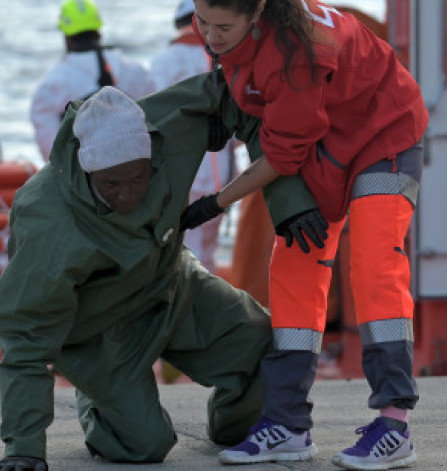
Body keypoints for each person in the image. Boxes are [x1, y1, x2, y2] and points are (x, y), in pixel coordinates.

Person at [0, 78, 317, 471]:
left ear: (153, 153)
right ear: (88, 170)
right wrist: (24, 448)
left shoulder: (175, 124)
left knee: (269, 347)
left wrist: (290, 204)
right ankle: (97, 400)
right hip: (100, 332)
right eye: (112, 183)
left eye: (139, 178)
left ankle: (233, 426)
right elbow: (25, 335)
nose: (128, 193)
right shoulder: (47, 221)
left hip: (170, 281)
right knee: (144, 446)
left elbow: (248, 99)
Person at [179, 0, 428, 469]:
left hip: (385, 135)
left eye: (223, 27)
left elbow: (280, 158)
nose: (210, 36)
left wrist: (215, 203)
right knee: (293, 266)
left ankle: (394, 426)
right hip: (327, 140)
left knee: (375, 266)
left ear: (258, 14)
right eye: (203, 22)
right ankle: (288, 425)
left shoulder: (296, 52)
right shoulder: (236, 30)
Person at [148, 0, 237, 273]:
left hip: (180, 172)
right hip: (224, 176)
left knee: (182, 251)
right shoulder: (230, 57)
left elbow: (153, 121)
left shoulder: (163, 62)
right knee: (206, 252)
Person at [29, 0, 157, 161]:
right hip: (135, 167)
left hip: (87, 174)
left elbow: (51, 151)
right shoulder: (133, 70)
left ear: (67, 37)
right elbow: (155, 116)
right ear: (98, 31)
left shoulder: (52, 85)